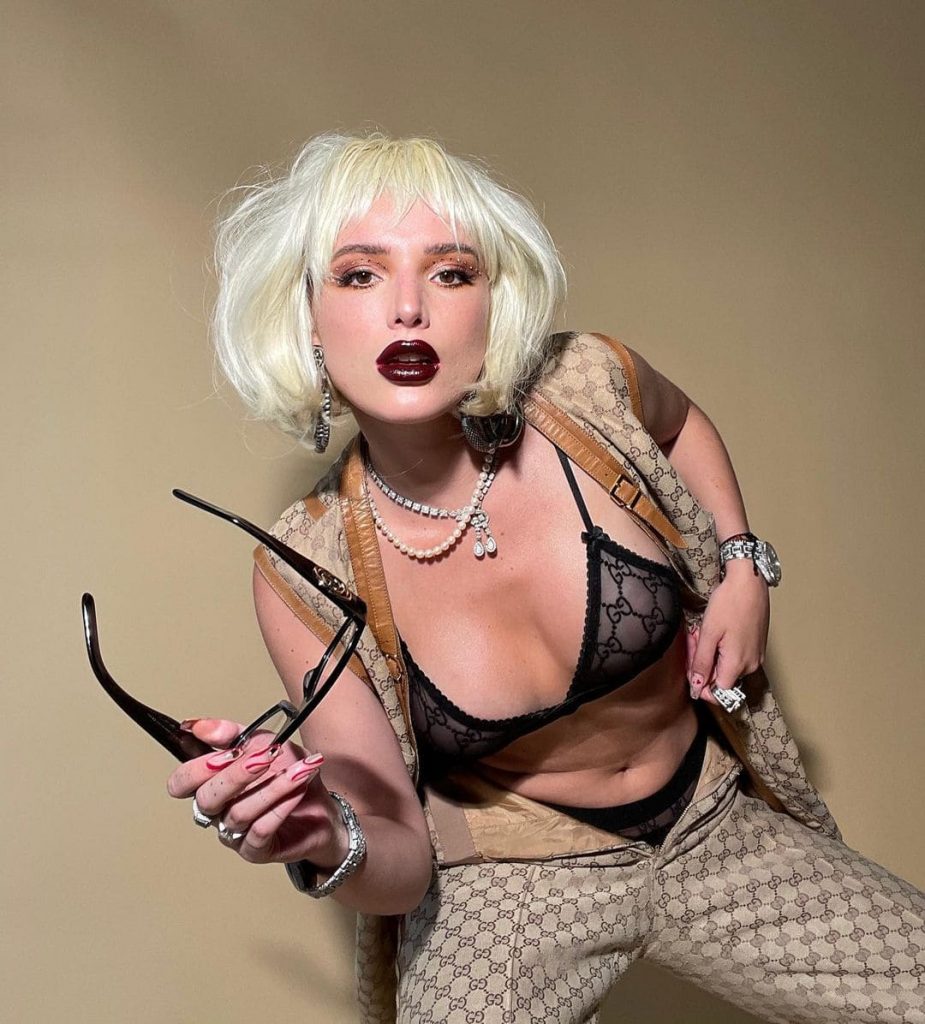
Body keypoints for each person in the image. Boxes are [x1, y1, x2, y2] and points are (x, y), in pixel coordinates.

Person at [166, 133, 925, 1024]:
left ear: (495, 301)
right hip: (511, 882)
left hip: (715, 825)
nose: (408, 308)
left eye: (451, 273)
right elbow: (399, 865)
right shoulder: (305, 567)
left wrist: (740, 562)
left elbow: (680, 425)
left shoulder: (587, 387)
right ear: (304, 315)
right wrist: (324, 834)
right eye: (359, 275)